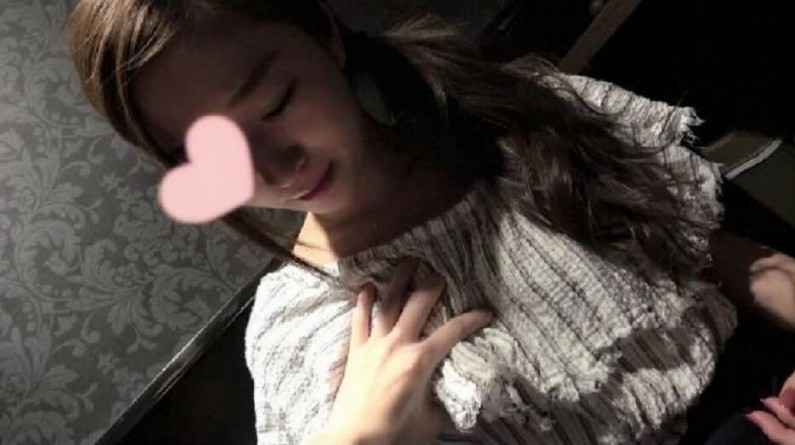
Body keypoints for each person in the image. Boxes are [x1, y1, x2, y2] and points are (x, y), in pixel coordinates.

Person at [64, 1, 795, 443]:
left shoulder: (517, 114)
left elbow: (731, 258)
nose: (275, 167)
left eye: (276, 102)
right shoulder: (302, 333)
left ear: (323, 36)